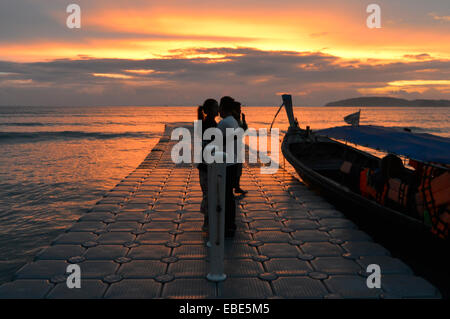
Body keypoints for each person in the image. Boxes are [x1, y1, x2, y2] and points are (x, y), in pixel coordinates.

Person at [217, 96, 240, 237]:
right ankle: (230, 225)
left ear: (222, 108)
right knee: (229, 196)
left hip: (226, 164)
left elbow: (217, 141)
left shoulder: (225, 123)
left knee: (225, 196)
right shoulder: (233, 121)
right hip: (233, 162)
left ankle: (227, 225)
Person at [197, 99, 219, 232]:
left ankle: (207, 220)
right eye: (216, 107)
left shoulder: (205, 123)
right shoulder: (211, 124)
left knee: (207, 192)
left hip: (203, 164)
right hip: (208, 164)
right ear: (210, 110)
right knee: (209, 193)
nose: (218, 110)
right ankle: (207, 222)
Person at [231, 101, 248, 194]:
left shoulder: (238, 119)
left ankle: (237, 187)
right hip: (232, 147)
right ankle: (234, 187)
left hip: (238, 146)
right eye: (238, 109)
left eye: (240, 109)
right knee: (234, 168)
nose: (240, 110)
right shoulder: (232, 120)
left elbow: (245, 130)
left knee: (238, 169)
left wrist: (244, 120)